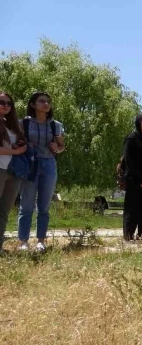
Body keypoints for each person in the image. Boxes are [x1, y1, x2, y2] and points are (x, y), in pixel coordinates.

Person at [17, 91, 66, 252]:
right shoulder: (22, 123)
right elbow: (16, 143)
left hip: (49, 165)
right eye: (42, 101)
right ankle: (23, 241)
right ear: (32, 104)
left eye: (48, 102)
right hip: (30, 164)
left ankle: (40, 241)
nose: (46, 104)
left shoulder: (55, 125)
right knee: (26, 205)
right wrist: (24, 145)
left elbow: (61, 146)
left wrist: (56, 148)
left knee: (44, 206)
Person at [0, 91, 26, 252]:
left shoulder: (11, 124)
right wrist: (15, 151)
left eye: (9, 103)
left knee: (4, 211)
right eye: (2, 102)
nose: (6, 106)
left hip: (13, 172)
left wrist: (16, 147)